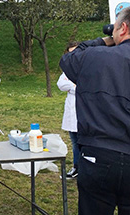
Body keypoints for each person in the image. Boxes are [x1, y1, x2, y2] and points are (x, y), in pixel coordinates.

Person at [59, 7, 130, 215]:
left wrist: (105, 40)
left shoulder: (96, 56)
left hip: (99, 154)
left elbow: (68, 60)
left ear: (123, 28)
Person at [57, 42, 80, 179]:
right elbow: (61, 84)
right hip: (72, 110)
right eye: (70, 53)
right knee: (74, 141)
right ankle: (76, 167)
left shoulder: (88, 66)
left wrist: (75, 86)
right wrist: (74, 85)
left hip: (85, 109)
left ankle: (85, 168)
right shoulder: (68, 70)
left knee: (85, 142)